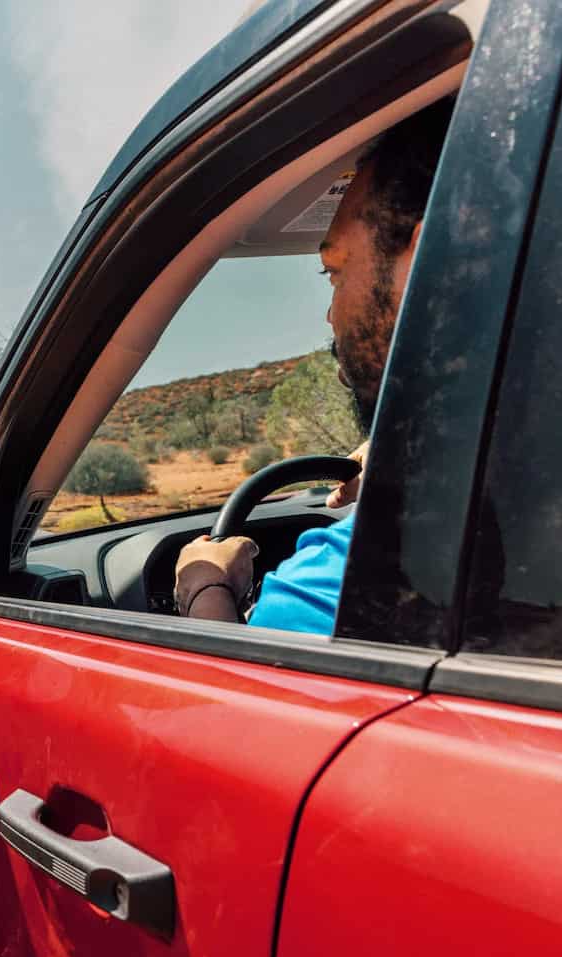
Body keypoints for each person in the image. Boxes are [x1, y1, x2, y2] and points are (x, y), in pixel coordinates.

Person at [174, 98, 455, 634]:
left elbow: (240, 681)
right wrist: (413, 457)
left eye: (334, 271)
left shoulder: (348, 584)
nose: (330, 314)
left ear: (427, 266)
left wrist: (205, 589)